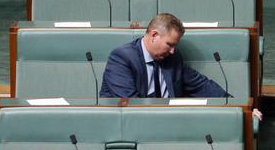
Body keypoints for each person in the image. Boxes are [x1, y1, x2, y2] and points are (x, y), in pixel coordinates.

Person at [100, 13, 263, 119]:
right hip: (132, 126)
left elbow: (202, 85)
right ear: (154, 35)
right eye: (169, 44)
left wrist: (242, 109)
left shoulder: (173, 58)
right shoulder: (122, 58)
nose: (173, 51)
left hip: (170, 123)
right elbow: (132, 106)